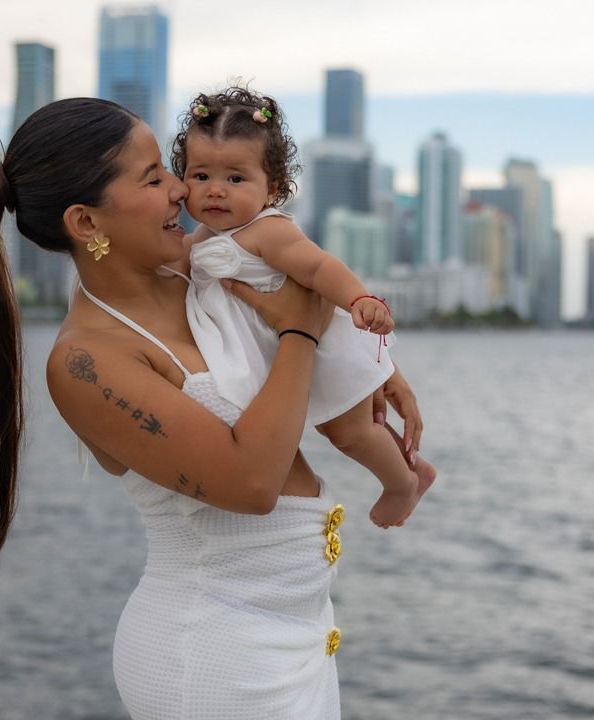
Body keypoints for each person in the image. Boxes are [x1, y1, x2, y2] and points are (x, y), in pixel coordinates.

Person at [0, 97, 426, 719]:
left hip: (297, 639)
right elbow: (251, 482)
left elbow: (305, 288)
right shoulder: (87, 361)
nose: (180, 189)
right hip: (214, 658)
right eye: (152, 178)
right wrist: (299, 334)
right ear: (87, 224)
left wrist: (377, 367)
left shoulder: (205, 273)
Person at [171, 86, 436, 528]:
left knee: (350, 432)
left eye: (235, 179)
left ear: (271, 187)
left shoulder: (266, 230)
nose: (215, 191)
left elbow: (317, 268)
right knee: (337, 429)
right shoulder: (199, 240)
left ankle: (402, 483)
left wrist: (360, 299)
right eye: (201, 177)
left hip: (324, 345)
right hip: (287, 351)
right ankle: (412, 467)